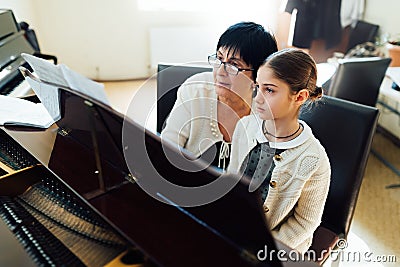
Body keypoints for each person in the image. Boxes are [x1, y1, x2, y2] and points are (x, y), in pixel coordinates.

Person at [228, 48, 331, 254]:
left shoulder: (314, 159)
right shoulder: (246, 126)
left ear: (300, 97)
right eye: (258, 87)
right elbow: (231, 180)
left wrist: (263, 249)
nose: (257, 98)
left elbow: (305, 223)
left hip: (277, 248)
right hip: (237, 231)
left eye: (270, 90)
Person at [161, 22, 278, 171]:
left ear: (258, 76)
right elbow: (167, 148)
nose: (220, 72)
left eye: (234, 65)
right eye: (219, 59)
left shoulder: (268, 112)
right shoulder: (195, 89)